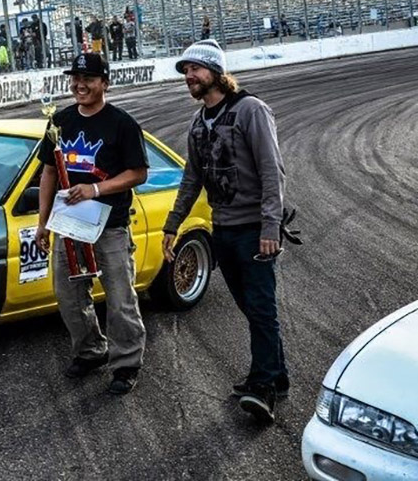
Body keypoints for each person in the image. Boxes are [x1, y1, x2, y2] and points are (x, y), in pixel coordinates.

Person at [163, 39, 288, 423]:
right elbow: (191, 179)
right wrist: (173, 224)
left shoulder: (251, 110)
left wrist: (271, 225)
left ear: (216, 72)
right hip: (224, 230)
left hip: (255, 230)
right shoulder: (198, 124)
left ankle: (264, 387)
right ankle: (275, 375)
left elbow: (272, 170)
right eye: (185, 71)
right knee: (251, 308)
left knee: (262, 309)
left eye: (195, 69)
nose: (189, 77)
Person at [35, 53, 149, 395]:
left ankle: (126, 364)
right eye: (75, 78)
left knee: (119, 298)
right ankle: (90, 351)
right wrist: (43, 224)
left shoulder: (122, 123)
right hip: (67, 225)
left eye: (88, 79)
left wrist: (95, 189)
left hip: (109, 225)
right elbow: (49, 172)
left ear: (105, 83)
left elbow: (138, 173)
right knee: (68, 294)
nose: (79, 85)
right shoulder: (60, 121)